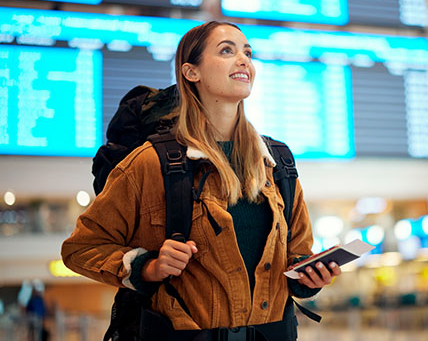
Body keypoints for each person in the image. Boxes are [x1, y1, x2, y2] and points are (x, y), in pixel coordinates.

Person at [61, 21, 341, 340]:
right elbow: (81, 248)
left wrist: (309, 276)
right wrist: (147, 267)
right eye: (227, 51)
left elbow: (296, 256)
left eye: (247, 52)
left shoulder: (277, 163)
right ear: (191, 72)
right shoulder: (151, 162)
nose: (243, 60)